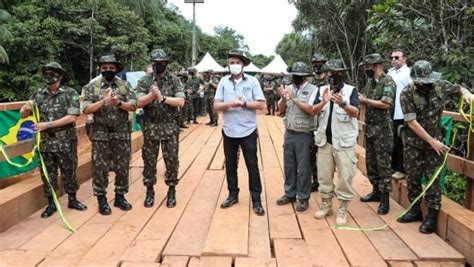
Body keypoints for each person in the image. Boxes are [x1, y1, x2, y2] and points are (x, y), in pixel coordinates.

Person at [397, 60, 473, 234]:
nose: (422, 84)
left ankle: (431, 217)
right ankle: (415, 210)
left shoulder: (439, 87)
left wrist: (466, 93)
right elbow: (411, 122)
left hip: (435, 146)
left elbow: (459, 88)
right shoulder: (407, 93)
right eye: (419, 80)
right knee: (413, 178)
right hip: (414, 144)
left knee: (433, 180)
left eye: (425, 80)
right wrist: (431, 140)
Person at [20, 62, 87, 218]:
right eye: (47, 73)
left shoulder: (70, 93)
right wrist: (27, 107)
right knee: (47, 174)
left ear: (60, 76)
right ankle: (51, 204)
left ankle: (72, 199)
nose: (48, 76)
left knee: (69, 171)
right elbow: (23, 115)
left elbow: (71, 117)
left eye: (52, 73)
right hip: (45, 143)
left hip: (65, 142)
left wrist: (47, 125)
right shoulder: (38, 94)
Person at [213, 48, 266, 216]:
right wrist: (230, 104)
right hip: (229, 130)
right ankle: (232, 194)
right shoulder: (223, 82)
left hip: (248, 129)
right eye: (231, 63)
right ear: (228, 65)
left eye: (237, 63)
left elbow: (261, 104)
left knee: (252, 165)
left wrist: (243, 104)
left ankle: (256, 199)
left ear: (243, 65)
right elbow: (216, 106)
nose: (234, 65)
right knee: (230, 164)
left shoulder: (252, 82)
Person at [82, 53, 137, 215]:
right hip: (100, 132)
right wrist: (102, 102)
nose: (108, 70)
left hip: (120, 132)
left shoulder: (124, 85)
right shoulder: (92, 86)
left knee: (122, 166)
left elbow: (134, 105)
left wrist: (118, 103)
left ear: (116, 69)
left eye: (111, 68)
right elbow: (85, 109)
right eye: (105, 68)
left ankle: (120, 196)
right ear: (100, 69)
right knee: (100, 167)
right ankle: (102, 199)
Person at [311, 59, 359, 226]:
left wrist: (343, 103)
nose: (333, 75)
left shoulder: (351, 91)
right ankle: (326, 205)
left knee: (345, 176)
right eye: (330, 72)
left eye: (336, 72)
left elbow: (356, 112)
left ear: (342, 73)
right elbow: (313, 111)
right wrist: (324, 101)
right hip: (325, 142)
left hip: (344, 143)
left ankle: (342, 208)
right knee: (324, 175)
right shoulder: (322, 90)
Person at [136, 49, 185, 208]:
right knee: (149, 161)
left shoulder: (174, 80)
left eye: (161, 63)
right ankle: (150, 191)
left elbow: (180, 101)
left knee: (171, 160)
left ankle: (172, 190)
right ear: (151, 63)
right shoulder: (145, 80)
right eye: (155, 63)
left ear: (166, 63)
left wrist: (162, 98)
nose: (158, 65)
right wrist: (151, 95)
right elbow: (137, 102)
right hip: (150, 126)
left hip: (169, 126)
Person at [276, 62, 318, 212]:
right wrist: (282, 98)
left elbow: (311, 110)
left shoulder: (313, 90)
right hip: (289, 132)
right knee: (289, 165)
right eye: (293, 75)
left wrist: (294, 99)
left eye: (298, 76)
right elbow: (280, 110)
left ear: (305, 76)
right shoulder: (289, 88)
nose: (295, 78)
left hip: (304, 133)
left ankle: (303, 197)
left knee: (304, 167)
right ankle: (290, 193)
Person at [358, 53, 396, 215]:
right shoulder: (370, 83)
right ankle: (376, 191)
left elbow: (386, 103)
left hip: (383, 131)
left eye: (368, 66)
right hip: (370, 129)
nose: (366, 69)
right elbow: (364, 97)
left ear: (376, 66)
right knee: (371, 162)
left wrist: (365, 101)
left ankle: (385, 198)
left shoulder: (388, 82)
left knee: (384, 165)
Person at [388, 49, 411, 180]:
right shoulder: (390, 73)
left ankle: (401, 168)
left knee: (401, 141)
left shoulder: (408, 73)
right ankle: (392, 166)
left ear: (404, 59)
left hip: (402, 112)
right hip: (390, 110)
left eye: (397, 57)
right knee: (391, 140)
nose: (394, 60)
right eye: (392, 58)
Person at [309, 52, 328, 192]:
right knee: (311, 155)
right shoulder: (309, 84)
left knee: (326, 155)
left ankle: (326, 182)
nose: (317, 66)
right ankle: (315, 180)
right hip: (311, 123)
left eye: (320, 63)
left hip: (326, 123)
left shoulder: (330, 82)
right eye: (315, 64)